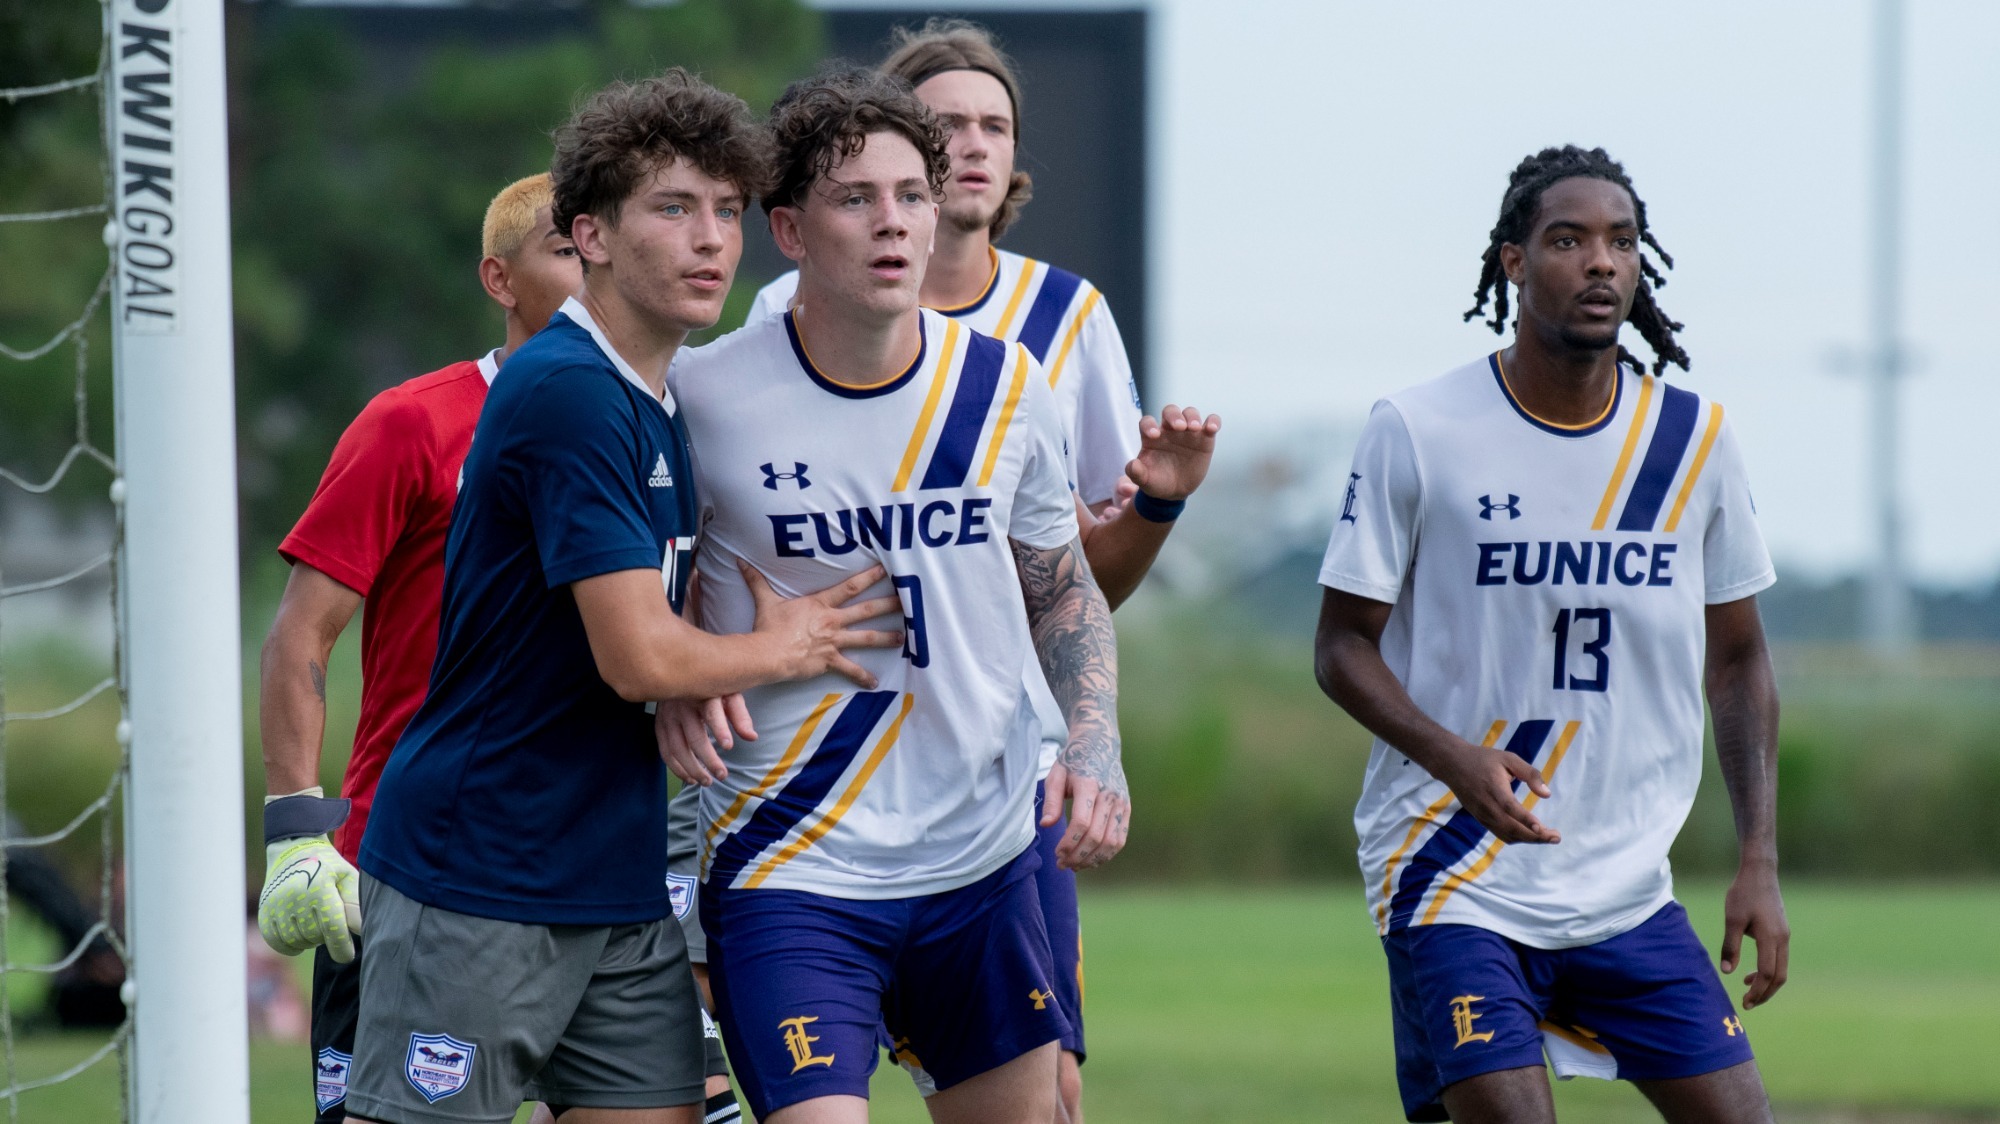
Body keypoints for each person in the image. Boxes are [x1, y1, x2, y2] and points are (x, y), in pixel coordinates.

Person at [340, 71, 902, 1124]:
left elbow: (647, 643)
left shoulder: (656, 396)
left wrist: (693, 675)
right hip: (483, 869)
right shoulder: (570, 393)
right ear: (588, 236)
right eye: (672, 208)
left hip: (616, 869)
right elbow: (637, 655)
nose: (710, 241)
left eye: (727, 211)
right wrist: (793, 637)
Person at [702, 26, 1219, 1119]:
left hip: (980, 859)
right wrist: (686, 672)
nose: (891, 220)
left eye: (909, 194)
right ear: (789, 229)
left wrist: (1094, 741)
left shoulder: (1010, 379)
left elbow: (1062, 586)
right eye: (854, 198)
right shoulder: (703, 400)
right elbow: (628, 601)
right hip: (793, 862)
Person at [1313, 145, 1789, 1124]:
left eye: (1620, 241)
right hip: (1453, 870)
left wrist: (1757, 857)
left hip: (1624, 888)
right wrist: (1454, 759)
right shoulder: (1416, 426)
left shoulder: (1690, 440)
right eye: (1566, 240)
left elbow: (1737, 659)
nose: (1600, 263)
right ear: (1513, 263)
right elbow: (1339, 646)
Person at [255, 171, 580, 1124]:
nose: (596, 270)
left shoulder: (664, 420)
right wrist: (293, 833)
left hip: (589, 861)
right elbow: (299, 634)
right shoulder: (412, 422)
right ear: (499, 278)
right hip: (404, 863)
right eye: (565, 250)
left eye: (601, 247)